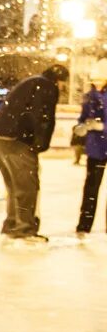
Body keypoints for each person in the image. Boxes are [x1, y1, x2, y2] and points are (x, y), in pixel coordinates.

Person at [0, 62, 68, 245]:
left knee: (14, 187)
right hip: (17, 140)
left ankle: (11, 226)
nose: (63, 88)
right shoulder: (47, 86)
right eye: (64, 83)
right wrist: (39, 144)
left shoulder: (30, 82)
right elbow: (42, 116)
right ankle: (24, 230)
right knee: (26, 187)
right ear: (59, 80)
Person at [74, 61, 107, 239]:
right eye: (95, 80)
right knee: (91, 187)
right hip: (96, 148)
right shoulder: (89, 97)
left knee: (92, 187)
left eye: (100, 80)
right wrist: (81, 127)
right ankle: (84, 225)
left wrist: (101, 126)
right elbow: (83, 118)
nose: (97, 84)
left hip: (100, 143)